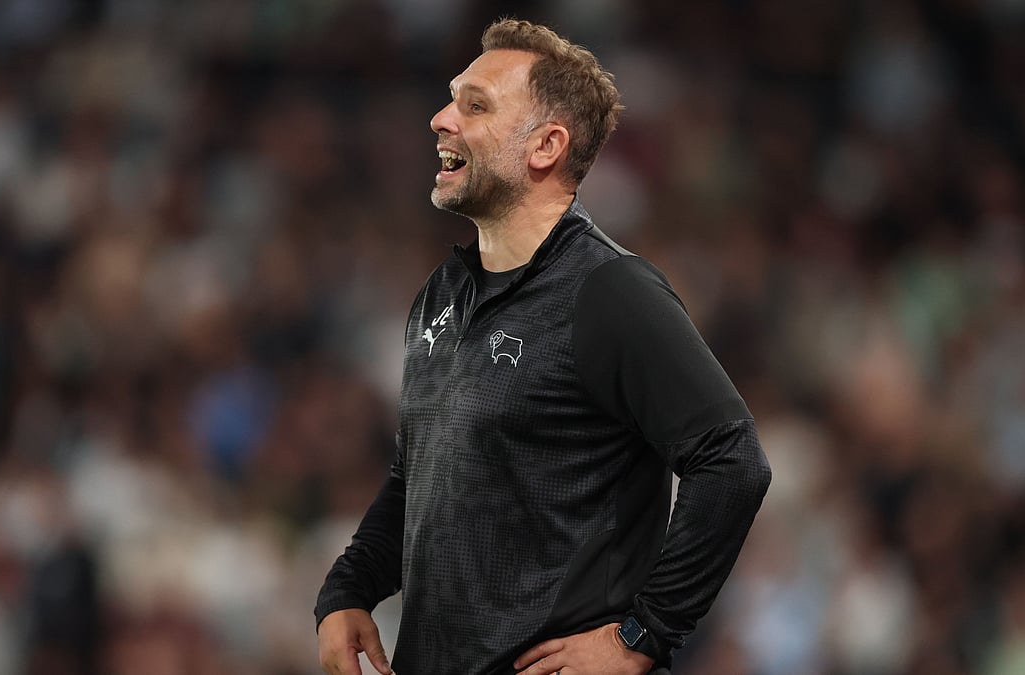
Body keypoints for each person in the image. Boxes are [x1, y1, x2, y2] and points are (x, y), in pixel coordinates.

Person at [315, 18, 771, 675]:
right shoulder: (443, 291)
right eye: (451, 99)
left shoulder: (611, 290)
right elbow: (419, 474)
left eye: (476, 105)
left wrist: (643, 634)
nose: (441, 119)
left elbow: (732, 460)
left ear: (546, 146)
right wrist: (350, 587)